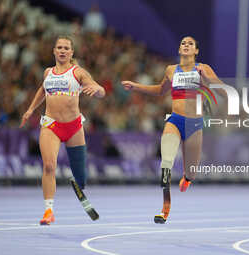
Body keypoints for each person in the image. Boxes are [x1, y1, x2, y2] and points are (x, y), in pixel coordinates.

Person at [122, 36, 225, 223]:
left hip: (194, 124)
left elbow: (224, 92)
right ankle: (165, 207)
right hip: (175, 121)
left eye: (190, 44)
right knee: (166, 162)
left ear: (196, 51)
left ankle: (187, 178)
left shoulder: (204, 68)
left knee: (191, 172)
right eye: (183, 43)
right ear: (179, 50)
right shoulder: (171, 70)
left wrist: (209, 80)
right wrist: (136, 87)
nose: (186, 45)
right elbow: (160, 91)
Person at [20, 35, 106, 225]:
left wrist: (97, 90)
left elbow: (100, 90)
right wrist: (30, 109)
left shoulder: (78, 72)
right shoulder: (47, 72)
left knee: (81, 178)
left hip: (74, 127)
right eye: (59, 47)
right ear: (54, 51)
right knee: (49, 166)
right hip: (51, 125)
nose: (62, 50)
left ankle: (78, 183)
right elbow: (42, 91)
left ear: (71, 52)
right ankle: (48, 211)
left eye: (66, 48)